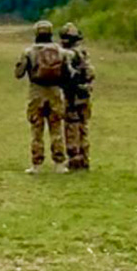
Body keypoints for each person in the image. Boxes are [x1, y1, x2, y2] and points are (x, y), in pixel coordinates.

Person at [14, 20, 72, 174]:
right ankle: (59, 163)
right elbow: (69, 74)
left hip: (36, 93)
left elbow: (18, 74)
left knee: (36, 130)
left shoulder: (29, 52)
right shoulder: (61, 52)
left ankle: (36, 164)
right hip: (55, 92)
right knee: (56, 129)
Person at [59, 22, 95, 171]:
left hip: (72, 95)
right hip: (84, 94)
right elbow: (91, 74)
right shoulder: (83, 53)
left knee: (71, 127)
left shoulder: (69, 55)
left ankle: (74, 160)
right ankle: (84, 159)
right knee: (83, 128)